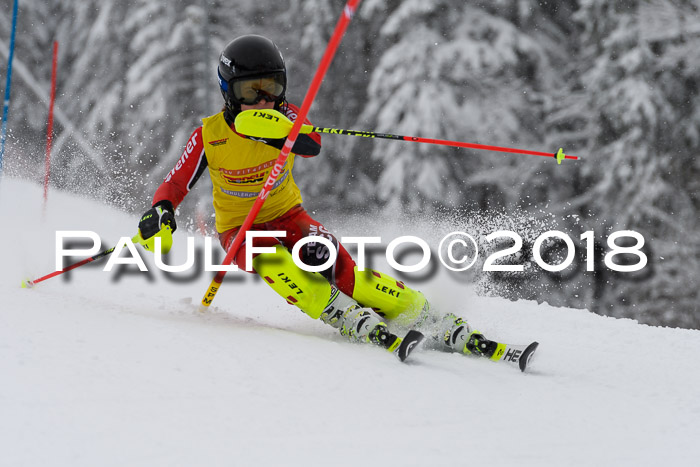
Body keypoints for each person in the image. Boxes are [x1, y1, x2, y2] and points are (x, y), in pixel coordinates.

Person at [137, 34, 498, 359]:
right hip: (240, 231)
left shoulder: (286, 116)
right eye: (251, 91)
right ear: (228, 92)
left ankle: (422, 313)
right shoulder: (210, 136)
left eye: (273, 88)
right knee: (272, 259)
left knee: (336, 266)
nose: (264, 100)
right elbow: (175, 182)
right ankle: (336, 310)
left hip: (289, 215)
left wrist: (280, 136)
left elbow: (312, 143)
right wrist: (162, 211)